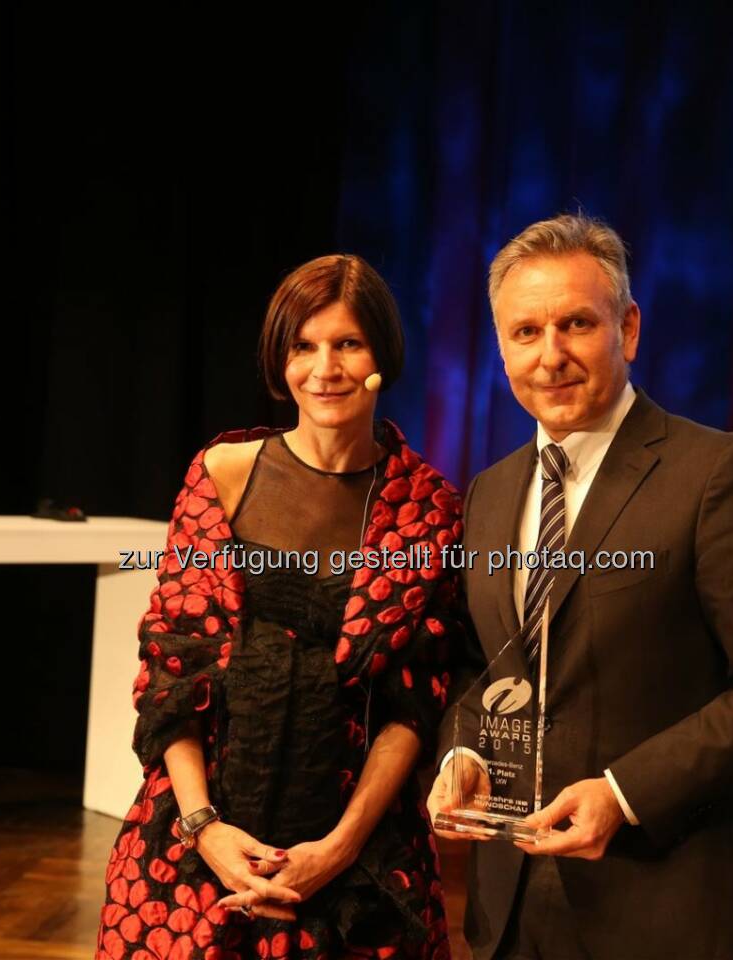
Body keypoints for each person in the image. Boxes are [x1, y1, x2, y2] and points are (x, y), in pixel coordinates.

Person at [427, 214, 733, 960]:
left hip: (667, 908)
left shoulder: (717, 475)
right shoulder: (488, 493)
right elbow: (477, 665)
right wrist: (464, 754)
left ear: (630, 328)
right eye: (525, 333)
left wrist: (622, 792)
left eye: (576, 324)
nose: (550, 356)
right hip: (511, 914)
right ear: (501, 347)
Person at [98, 254, 463, 960]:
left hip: (357, 860)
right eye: (304, 345)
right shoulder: (222, 476)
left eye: (347, 344)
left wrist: (337, 849)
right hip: (195, 850)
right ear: (280, 357)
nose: (324, 368)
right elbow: (173, 670)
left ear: (382, 354)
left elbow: (414, 702)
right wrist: (205, 827)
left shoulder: (427, 510)